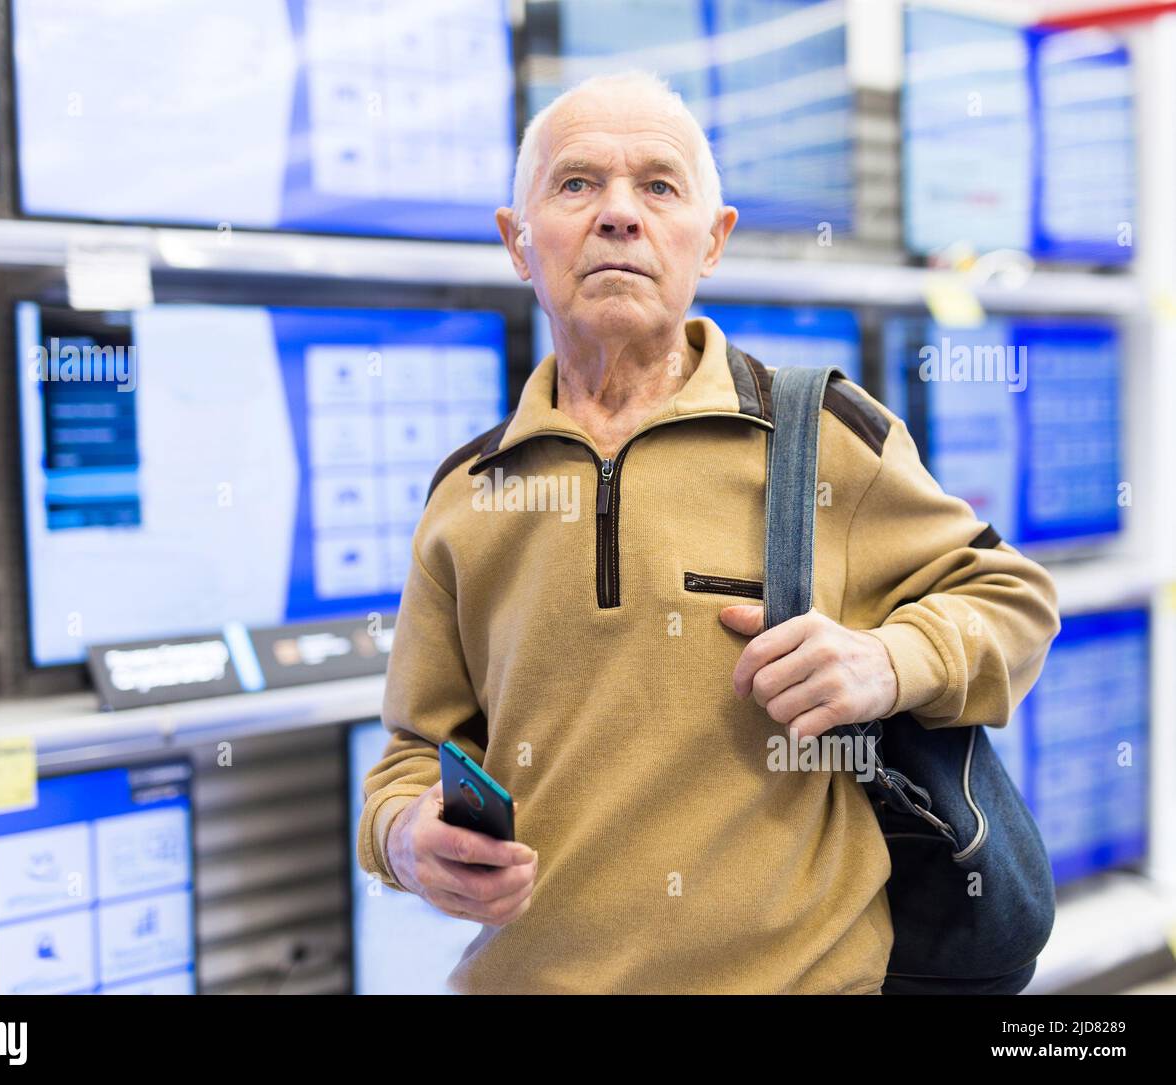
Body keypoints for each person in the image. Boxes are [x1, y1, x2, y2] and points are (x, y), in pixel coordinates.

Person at [356, 69, 1061, 994]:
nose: (618, 214)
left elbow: (1013, 600)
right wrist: (407, 840)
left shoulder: (823, 438)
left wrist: (888, 661)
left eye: (658, 185)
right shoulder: (468, 495)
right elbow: (414, 755)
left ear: (712, 240)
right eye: (576, 184)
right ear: (517, 242)